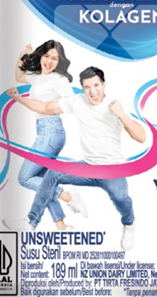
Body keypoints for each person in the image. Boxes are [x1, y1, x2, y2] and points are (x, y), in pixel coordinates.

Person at [7, 66, 146, 250]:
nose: (92, 91)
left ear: (104, 85)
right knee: (52, 172)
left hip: (111, 170)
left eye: (96, 85)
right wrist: (19, 98)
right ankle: (31, 223)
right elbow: (46, 107)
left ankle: (129, 225)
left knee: (121, 199)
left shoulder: (115, 105)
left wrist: (120, 114)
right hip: (87, 167)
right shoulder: (77, 101)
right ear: (83, 88)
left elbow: (141, 137)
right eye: (87, 87)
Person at [2, 40, 85, 231]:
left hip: (50, 131)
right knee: (42, 180)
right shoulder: (39, 76)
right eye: (46, 56)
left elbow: (72, 103)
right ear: (41, 56)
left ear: (59, 61)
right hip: (45, 131)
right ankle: (61, 227)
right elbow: (18, 75)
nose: (49, 61)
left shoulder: (59, 79)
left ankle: (69, 197)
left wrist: (21, 100)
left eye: (54, 58)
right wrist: (24, 52)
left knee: (25, 178)